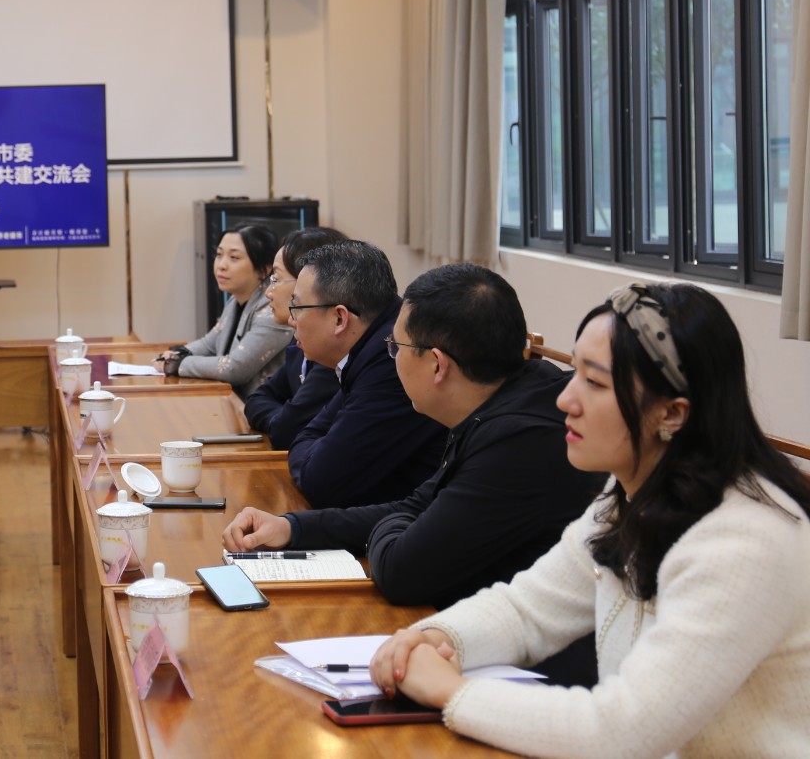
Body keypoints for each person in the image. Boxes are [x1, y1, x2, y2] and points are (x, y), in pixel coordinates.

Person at [370, 283, 810, 758]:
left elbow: (622, 732)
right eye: (574, 372)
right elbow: (526, 610)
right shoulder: (630, 494)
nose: (565, 399)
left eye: (595, 384)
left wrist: (450, 692)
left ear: (672, 414)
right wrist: (432, 638)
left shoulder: (745, 544)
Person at [224, 263, 603, 610]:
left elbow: (401, 572)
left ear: (437, 364)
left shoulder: (518, 441)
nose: (391, 358)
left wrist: (403, 524)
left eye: (395, 347)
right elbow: (416, 505)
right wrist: (293, 527)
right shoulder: (500, 399)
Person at [283, 240, 444, 507]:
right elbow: (306, 434)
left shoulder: (392, 359)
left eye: (297, 308)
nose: (291, 320)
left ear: (339, 318)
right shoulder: (369, 348)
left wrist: (310, 453)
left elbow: (320, 481)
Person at [240, 226, 348, 448]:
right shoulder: (300, 335)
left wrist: (283, 420)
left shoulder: (333, 350)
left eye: (276, 279)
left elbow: (286, 430)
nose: (268, 292)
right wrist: (282, 417)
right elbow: (257, 398)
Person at [155, 222, 288, 400]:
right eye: (219, 255)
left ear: (264, 269)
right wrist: (180, 353)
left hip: (260, 409)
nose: (221, 265)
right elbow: (210, 344)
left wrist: (179, 365)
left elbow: (235, 368)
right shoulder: (235, 299)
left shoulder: (273, 308)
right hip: (231, 401)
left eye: (234, 257)